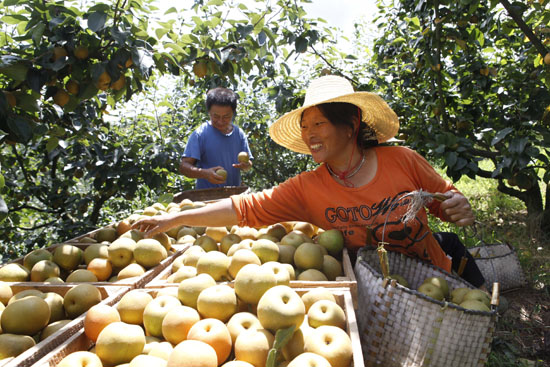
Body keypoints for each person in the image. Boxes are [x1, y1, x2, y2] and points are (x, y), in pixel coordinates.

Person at [135, 75, 485, 288]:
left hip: (438, 282)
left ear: (350, 123)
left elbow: (448, 202)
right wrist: (176, 218)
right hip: (383, 294)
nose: (309, 134)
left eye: (318, 124)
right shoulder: (307, 187)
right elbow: (244, 208)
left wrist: (459, 207)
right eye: (305, 125)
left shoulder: (402, 160)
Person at [179, 87, 253, 189]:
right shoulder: (200, 134)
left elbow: (248, 164)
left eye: (226, 116)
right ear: (209, 112)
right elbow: (184, 167)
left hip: (232, 198)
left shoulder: (239, 134)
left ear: (233, 113)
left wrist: (246, 165)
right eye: (216, 116)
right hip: (207, 199)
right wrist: (205, 174)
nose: (221, 121)